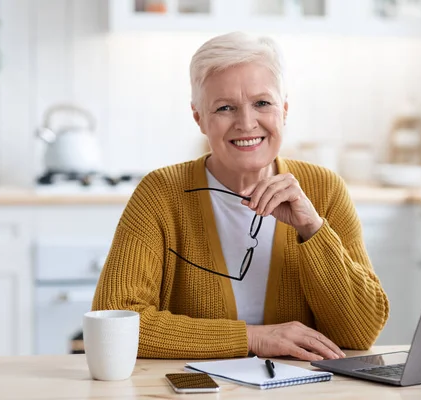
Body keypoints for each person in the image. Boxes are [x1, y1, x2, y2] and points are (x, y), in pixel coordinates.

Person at [91, 31, 389, 362]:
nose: (246, 123)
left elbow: (360, 334)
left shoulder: (324, 189)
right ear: (199, 118)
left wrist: (313, 228)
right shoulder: (160, 194)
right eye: (225, 108)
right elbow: (115, 322)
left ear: (284, 110)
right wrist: (253, 338)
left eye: (262, 103)